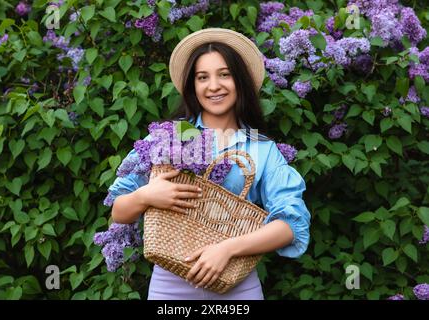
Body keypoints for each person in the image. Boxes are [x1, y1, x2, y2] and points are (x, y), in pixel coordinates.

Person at [106, 28, 311, 300]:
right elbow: (119, 211)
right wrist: (147, 195)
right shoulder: (169, 137)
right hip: (170, 290)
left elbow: (290, 226)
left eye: (224, 74)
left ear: (240, 81)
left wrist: (227, 248)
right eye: (202, 77)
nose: (213, 86)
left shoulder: (262, 150)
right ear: (193, 86)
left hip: (237, 290)